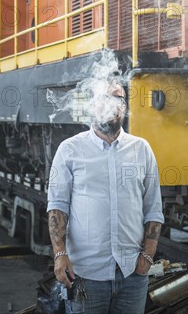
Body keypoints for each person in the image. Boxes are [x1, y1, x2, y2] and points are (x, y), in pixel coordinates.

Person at [47, 79, 164, 314]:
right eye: (103, 98)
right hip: (87, 275)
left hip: (132, 274)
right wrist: (60, 255)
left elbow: (153, 208)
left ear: (125, 106)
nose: (111, 104)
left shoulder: (142, 149)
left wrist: (147, 258)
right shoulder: (70, 150)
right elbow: (58, 208)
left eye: (117, 98)